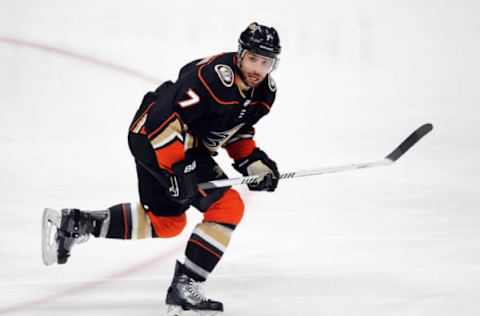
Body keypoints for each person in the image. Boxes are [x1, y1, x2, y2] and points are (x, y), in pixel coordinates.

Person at [46, 22, 281, 314]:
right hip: (156, 138)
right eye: (253, 58)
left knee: (167, 223)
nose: (258, 68)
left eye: (266, 62)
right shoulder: (212, 78)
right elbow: (162, 119)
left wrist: (254, 165)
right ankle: (185, 287)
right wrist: (177, 169)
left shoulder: (263, 94)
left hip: (163, 141)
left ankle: (78, 223)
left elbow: (236, 133)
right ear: (240, 53)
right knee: (228, 206)